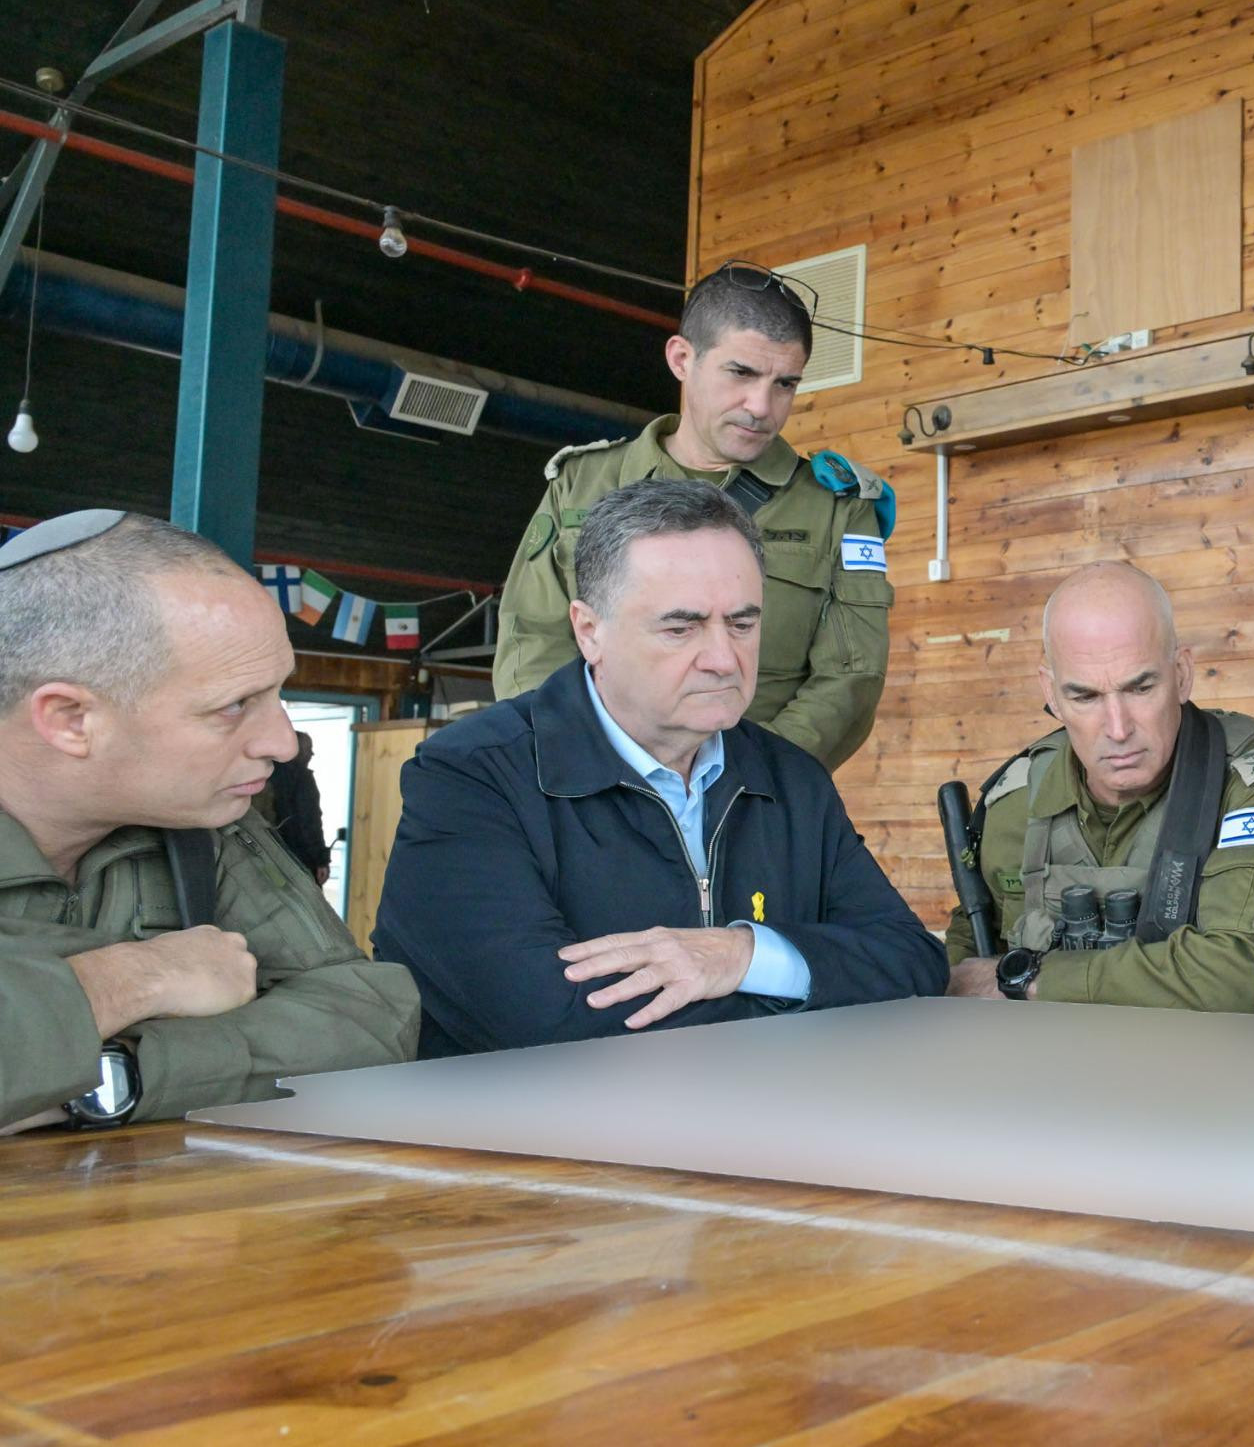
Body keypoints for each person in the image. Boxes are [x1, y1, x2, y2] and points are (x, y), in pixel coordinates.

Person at [378, 479, 944, 1057]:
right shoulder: (471, 775)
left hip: (765, 1111)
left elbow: (914, 963)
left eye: (743, 624)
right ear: (589, 631)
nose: (723, 659)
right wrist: (812, 991)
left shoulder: (792, 779)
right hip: (524, 1117)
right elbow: (544, 1022)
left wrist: (742, 955)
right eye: (681, 628)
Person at [0, 512, 418, 1130]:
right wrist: (131, 979)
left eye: (277, 693)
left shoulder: (205, 827)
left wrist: (116, 1074)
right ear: (70, 720)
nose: (282, 743)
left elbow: (371, 1020)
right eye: (233, 705)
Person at [491, 262, 894, 771]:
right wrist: (588, 765)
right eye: (741, 373)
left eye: (785, 383)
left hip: (756, 792)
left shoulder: (837, 506)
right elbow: (530, 639)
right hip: (592, 784)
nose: (761, 406)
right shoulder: (583, 483)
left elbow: (850, 680)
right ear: (682, 359)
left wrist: (743, 780)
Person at [944, 562, 1254, 1009]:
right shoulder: (1014, 801)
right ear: (1051, 694)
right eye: (1085, 696)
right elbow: (964, 964)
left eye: (1140, 688)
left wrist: (1028, 980)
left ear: (1181, 674)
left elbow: (1237, 973)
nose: (1118, 729)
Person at [260, 730, 332, 885]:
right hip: (300, 858)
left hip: (268, 855)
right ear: (294, 749)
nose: (312, 754)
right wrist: (320, 860)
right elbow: (308, 821)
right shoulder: (302, 779)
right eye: (308, 749)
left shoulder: (264, 774)